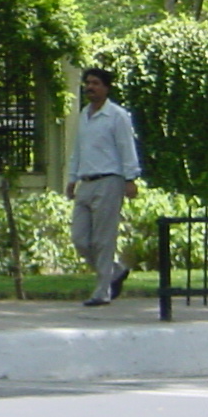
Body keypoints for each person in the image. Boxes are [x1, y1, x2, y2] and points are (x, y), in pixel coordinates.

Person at [65, 66, 142, 306]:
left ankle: (102, 291)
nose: (90, 87)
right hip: (86, 183)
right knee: (80, 239)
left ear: (106, 88)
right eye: (88, 83)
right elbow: (78, 149)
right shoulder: (84, 115)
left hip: (110, 181)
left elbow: (126, 148)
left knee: (103, 240)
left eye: (96, 83)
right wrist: (72, 178)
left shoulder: (118, 116)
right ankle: (116, 270)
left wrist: (130, 179)